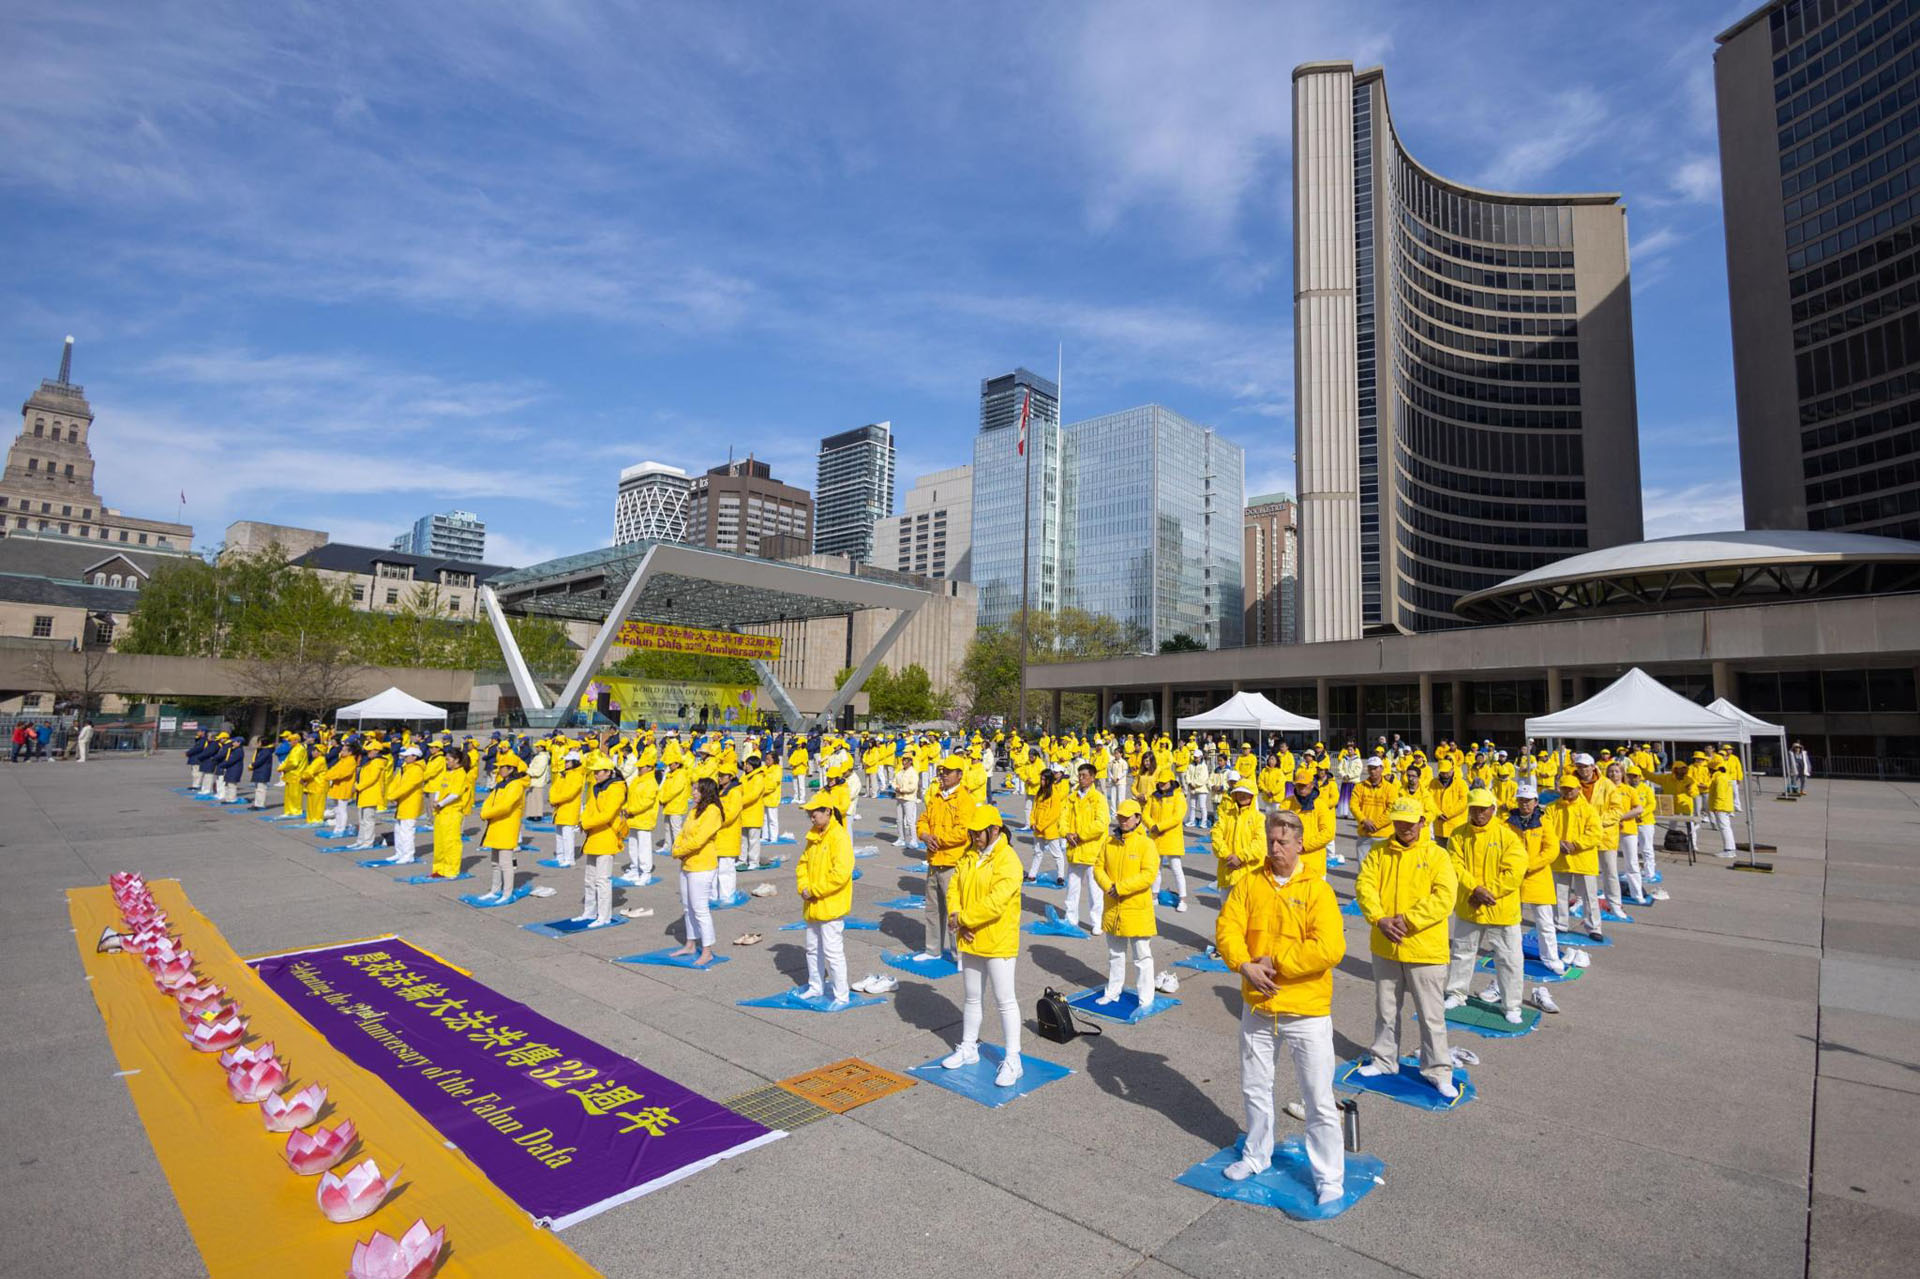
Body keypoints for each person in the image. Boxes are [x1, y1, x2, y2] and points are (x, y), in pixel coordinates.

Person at [1215, 809, 1346, 1202]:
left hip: (1306, 1011)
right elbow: (1227, 928)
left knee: (1318, 1098)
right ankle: (1257, 1154)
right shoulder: (1250, 884)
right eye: (1271, 840)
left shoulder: (1317, 890)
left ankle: (1328, 1177)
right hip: (1258, 1006)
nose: (1275, 848)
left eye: (1283, 842)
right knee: (1255, 1087)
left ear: (1299, 844)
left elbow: (1330, 948)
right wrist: (1244, 966)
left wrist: (1276, 963)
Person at [1355, 796, 1459, 1098]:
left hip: (1425, 947)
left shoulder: (1437, 855)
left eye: (1410, 822)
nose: (1404, 828)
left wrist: (1408, 921)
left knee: (1431, 1014)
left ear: (1422, 822)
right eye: (1400, 821)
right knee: (1386, 1009)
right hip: (1386, 944)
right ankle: (1385, 1059)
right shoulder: (1378, 853)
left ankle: (1438, 1069)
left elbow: (1444, 897)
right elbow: (1365, 886)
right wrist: (1380, 919)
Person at [941, 806, 1026, 1087]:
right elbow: (954, 887)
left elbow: (996, 902)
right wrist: (955, 914)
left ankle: (1013, 1059)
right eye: (972, 832)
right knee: (972, 996)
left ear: (994, 830)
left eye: (978, 832)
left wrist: (964, 918)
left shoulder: (1008, 860)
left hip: (998, 939)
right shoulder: (969, 855)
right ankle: (968, 1047)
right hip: (969, 937)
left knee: (1005, 999)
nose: (974, 836)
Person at [1444, 788, 1528, 1024]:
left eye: (1484, 809)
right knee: (1462, 952)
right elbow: (1454, 864)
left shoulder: (1508, 836)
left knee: (1509, 958)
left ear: (1493, 808)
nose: (1479, 813)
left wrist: (1485, 891)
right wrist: (1474, 889)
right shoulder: (1458, 834)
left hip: (1500, 908)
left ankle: (1511, 1004)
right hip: (1470, 905)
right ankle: (1457, 993)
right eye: (1474, 808)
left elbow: (1515, 871)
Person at [1096, 799, 1161, 1007]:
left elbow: (1149, 874)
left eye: (1127, 817)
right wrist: (1109, 887)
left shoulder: (1146, 844)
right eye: (1120, 817)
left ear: (1138, 819)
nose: (1123, 821)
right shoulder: (1109, 842)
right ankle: (1113, 991)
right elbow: (1098, 868)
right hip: (1114, 907)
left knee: (1142, 955)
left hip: (1136, 908)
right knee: (1115, 953)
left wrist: (1121, 888)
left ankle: (1146, 997)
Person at [796, 793, 855, 1006]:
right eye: (810, 813)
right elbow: (802, 863)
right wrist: (803, 886)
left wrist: (814, 890)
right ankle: (815, 986)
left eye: (815, 812)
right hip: (812, 902)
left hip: (831, 905)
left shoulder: (839, 837)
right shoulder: (814, 835)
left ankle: (841, 995)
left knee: (832, 952)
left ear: (828, 812)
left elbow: (841, 873)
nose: (811, 816)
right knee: (812, 948)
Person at [915, 758, 975, 961]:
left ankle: (959, 954)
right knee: (933, 908)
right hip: (934, 859)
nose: (943, 775)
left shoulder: (964, 799)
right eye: (942, 771)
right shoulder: (937, 796)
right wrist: (924, 836)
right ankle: (933, 949)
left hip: (952, 862)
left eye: (948, 772)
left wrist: (937, 840)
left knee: (953, 910)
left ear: (959, 774)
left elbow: (963, 832)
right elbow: (923, 820)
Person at [671, 777, 724, 965]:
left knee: (700, 908)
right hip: (687, 863)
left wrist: (679, 851)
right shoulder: (694, 810)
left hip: (702, 865)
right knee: (687, 907)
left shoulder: (713, 811)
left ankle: (707, 950)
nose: (693, 793)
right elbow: (682, 833)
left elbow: (699, 840)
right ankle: (690, 943)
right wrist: (676, 848)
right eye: (693, 789)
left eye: (697, 790)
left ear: (706, 792)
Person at [1549, 768, 1604, 943]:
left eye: (1571, 788)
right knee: (1560, 894)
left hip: (1583, 858)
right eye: (1564, 788)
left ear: (1579, 789)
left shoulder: (1588, 809)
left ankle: (1594, 927)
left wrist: (1575, 844)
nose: (1568, 791)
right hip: (1560, 857)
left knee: (1589, 895)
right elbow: (1546, 830)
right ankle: (1560, 923)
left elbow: (1595, 833)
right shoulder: (1552, 808)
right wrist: (1558, 843)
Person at [577, 752, 626, 926]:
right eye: (594, 772)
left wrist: (586, 823)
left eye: (598, 771)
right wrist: (583, 819)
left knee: (602, 880)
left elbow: (606, 815)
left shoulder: (617, 788)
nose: (595, 774)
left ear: (608, 772)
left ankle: (603, 916)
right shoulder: (596, 787)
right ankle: (589, 912)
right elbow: (590, 808)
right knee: (589, 879)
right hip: (593, 837)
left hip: (606, 837)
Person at [1063, 762, 1112, 933]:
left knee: (1095, 890)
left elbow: (1102, 823)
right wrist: (1066, 833)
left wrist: (1080, 834)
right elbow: (1063, 819)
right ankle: (1070, 919)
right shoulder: (1072, 798)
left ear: (1092, 778)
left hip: (1092, 850)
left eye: (1085, 776)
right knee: (1072, 888)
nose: (1081, 778)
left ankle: (1097, 922)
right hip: (1075, 849)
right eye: (1080, 775)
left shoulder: (1098, 798)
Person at [478, 752, 529, 902]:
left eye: (502, 767)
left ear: (511, 769)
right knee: (495, 862)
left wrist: (487, 813)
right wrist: (485, 811)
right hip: (495, 825)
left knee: (506, 863)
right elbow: (489, 801)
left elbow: (506, 807)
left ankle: (507, 893)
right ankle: (495, 890)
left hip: (507, 826)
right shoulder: (501, 784)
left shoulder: (516, 786)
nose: (499, 770)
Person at [1211, 777, 1264, 900]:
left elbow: (1260, 844)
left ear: (1252, 796)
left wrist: (1240, 858)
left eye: (1246, 793)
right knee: (1226, 913)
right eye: (1239, 793)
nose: (1242, 796)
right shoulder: (1226, 815)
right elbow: (1216, 835)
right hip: (1228, 871)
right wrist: (1228, 855)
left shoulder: (1259, 818)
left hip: (1250, 874)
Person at [1146, 770, 1190, 911]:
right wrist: (1152, 826)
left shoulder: (1178, 796)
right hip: (1156, 837)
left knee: (1176, 868)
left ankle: (1182, 899)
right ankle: (1154, 895)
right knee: (1155, 868)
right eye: (1160, 783)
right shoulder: (1154, 796)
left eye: (1164, 783)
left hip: (1171, 837)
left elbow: (1178, 817)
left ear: (1171, 781)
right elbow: (1145, 813)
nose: (1162, 785)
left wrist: (1159, 826)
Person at [430, 747, 468, 880]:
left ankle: (451, 869)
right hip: (441, 812)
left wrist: (441, 803)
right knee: (439, 841)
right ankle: (439, 868)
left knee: (451, 842)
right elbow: (440, 788)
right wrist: (436, 800)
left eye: (448, 759)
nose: (446, 762)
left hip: (452, 812)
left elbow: (455, 794)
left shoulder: (460, 774)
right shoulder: (448, 773)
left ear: (456, 760)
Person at [623, 751, 660, 883]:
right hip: (633, 818)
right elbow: (630, 796)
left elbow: (646, 802)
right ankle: (634, 868)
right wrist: (626, 808)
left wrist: (631, 810)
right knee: (633, 845)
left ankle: (645, 872)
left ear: (650, 767)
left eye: (642, 767)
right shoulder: (637, 780)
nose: (639, 769)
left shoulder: (651, 783)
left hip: (644, 819)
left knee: (644, 847)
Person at [1025, 766, 1068, 883]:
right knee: (1038, 852)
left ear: (1049, 780)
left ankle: (1060, 876)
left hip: (1049, 829)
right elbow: (1034, 809)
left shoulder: (1054, 793)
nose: (1041, 781)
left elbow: (1054, 814)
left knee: (1057, 854)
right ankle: (1032, 874)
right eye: (1041, 779)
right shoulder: (1040, 792)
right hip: (1038, 829)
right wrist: (1032, 822)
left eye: (1044, 779)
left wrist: (1040, 826)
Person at [1706, 756, 1739, 857]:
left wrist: (1717, 808)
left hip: (1721, 807)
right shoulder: (1724, 776)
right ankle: (1731, 849)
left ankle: (1728, 850)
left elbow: (1720, 795)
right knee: (1726, 827)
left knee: (1724, 828)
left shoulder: (1719, 778)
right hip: (1725, 806)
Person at [894, 755, 922, 850]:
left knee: (910, 820)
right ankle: (901, 838)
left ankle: (914, 840)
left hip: (909, 798)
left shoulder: (913, 773)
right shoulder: (900, 772)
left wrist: (902, 790)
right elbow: (894, 781)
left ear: (910, 761)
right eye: (903, 760)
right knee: (899, 819)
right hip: (899, 797)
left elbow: (913, 786)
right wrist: (896, 788)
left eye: (906, 760)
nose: (904, 762)